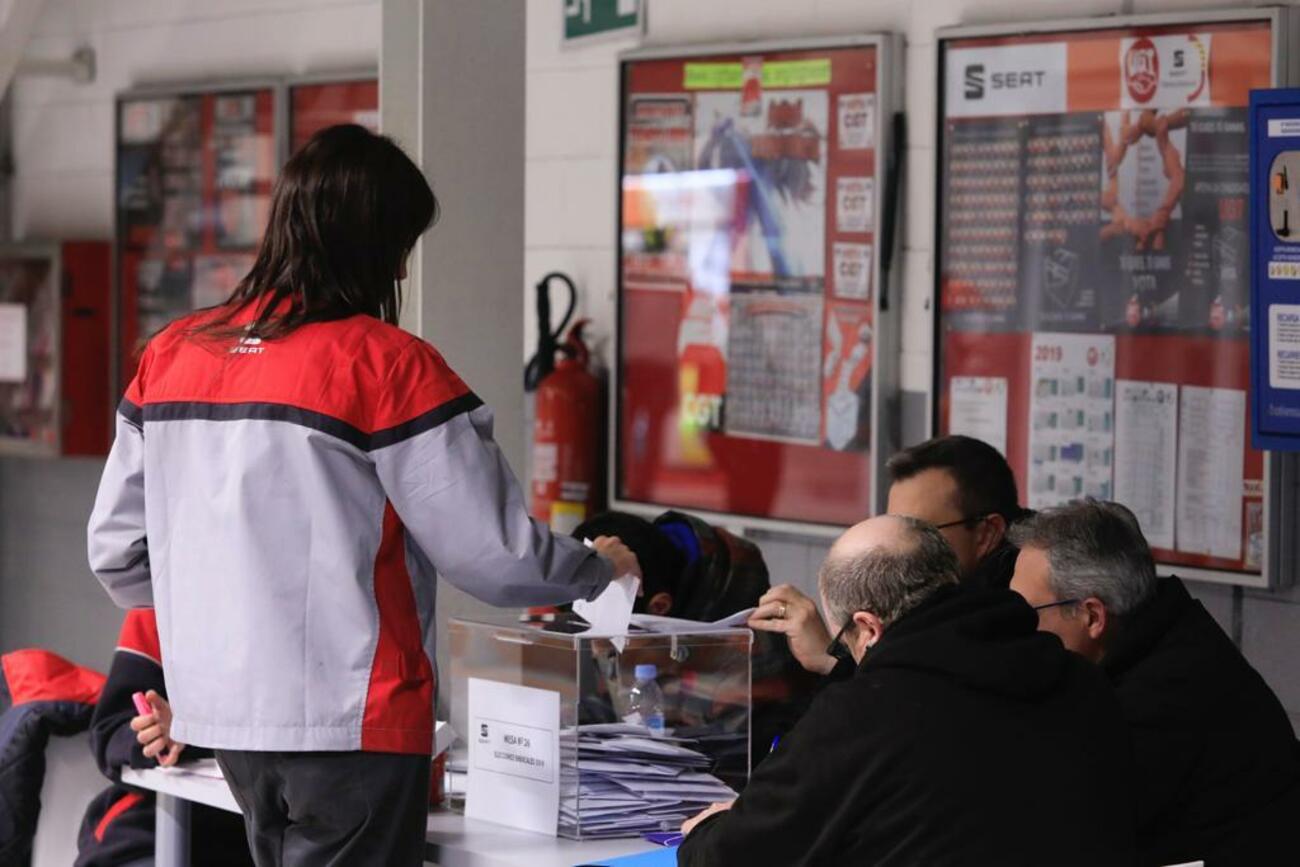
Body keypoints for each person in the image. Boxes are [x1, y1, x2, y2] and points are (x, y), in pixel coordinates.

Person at [86, 124, 639, 867]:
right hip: (356, 724)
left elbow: (117, 555)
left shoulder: (171, 357)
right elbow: (495, 556)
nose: (404, 265)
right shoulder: (386, 367)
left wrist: (229, 599)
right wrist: (594, 567)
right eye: (403, 244)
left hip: (227, 722)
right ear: (378, 245)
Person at [678, 515, 1135, 867]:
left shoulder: (864, 716)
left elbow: (735, 856)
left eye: (845, 643)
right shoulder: (1078, 679)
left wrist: (709, 828)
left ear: (868, 627)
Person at [1009, 499, 1300, 866]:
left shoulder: (1167, 694)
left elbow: (1071, 826)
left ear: (1092, 616)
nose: (1014, 628)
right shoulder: (1160, 634)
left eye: (1025, 613)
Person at [752, 434, 1025, 675]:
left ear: (986, 533)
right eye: (893, 526)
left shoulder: (1015, 613)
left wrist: (833, 660)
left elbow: (901, 704)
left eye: (920, 531)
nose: (894, 550)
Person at [76, 609, 254, 867]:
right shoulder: (158, 606)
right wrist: (160, 734)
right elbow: (111, 731)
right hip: (158, 829)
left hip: (285, 835)